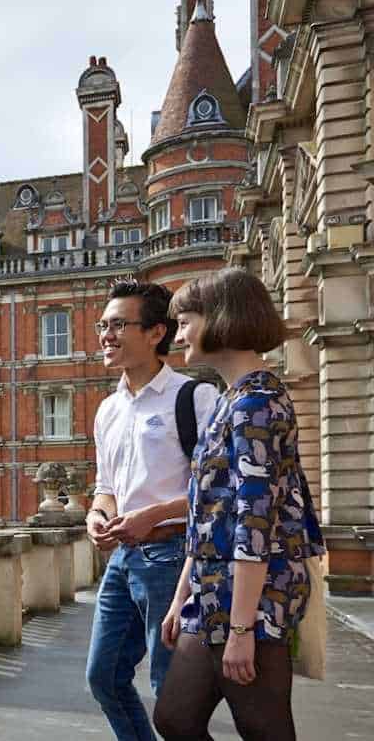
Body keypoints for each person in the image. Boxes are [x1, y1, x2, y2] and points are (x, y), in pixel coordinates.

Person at [152, 268, 325, 741]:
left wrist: (244, 629)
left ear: (221, 319)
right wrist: (181, 595)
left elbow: (254, 521)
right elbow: (207, 511)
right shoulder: (231, 400)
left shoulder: (258, 403)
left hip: (254, 596)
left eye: (186, 321)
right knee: (175, 719)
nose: (178, 333)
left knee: (265, 730)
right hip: (212, 591)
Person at [85, 280, 220, 741]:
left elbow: (221, 490)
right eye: (103, 325)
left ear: (156, 332)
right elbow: (106, 488)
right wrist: (96, 515)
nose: (105, 335)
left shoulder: (195, 398)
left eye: (118, 324)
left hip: (174, 556)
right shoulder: (107, 409)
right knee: (103, 677)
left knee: (171, 693)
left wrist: (155, 514)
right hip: (122, 560)